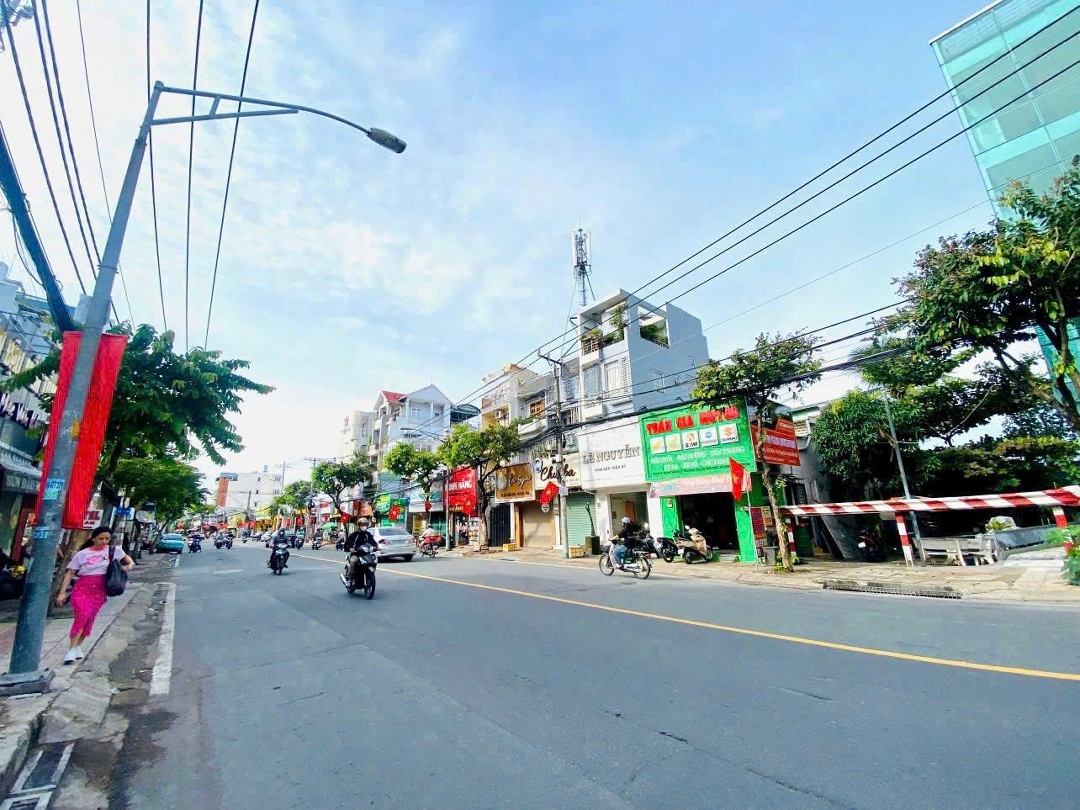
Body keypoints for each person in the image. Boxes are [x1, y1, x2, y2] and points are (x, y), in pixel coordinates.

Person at [55, 527, 133, 665]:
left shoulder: (113, 551)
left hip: (99, 591)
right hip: (82, 589)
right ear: (93, 538)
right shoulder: (82, 554)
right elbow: (70, 573)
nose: (104, 541)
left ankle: (78, 646)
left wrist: (128, 567)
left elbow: (129, 561)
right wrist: (62, 592)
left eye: (107, 539)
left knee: (89, 619)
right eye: (101, 538)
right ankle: (71, 650)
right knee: (82, 616)